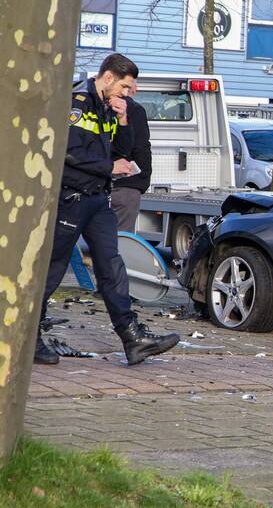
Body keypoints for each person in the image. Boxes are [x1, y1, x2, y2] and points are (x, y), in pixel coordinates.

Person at [35, 54, 179, 366]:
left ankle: (132, 338)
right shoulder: (78, 102)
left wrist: (123, 120)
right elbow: (67, 151)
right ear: (109, 77)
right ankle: (28, 335)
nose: (128, 93)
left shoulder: (109, 107)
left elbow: (121, 151)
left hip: (98, 200)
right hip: (71, 198)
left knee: (112, 266)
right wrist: (108, 167)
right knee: (52, 269)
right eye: (125, 87)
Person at [110, 80, 152, 232]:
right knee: (120, 238)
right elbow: (141, 147)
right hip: (126, 185)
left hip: (98, 184)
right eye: (133, 84)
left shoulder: (97, 107)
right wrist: (143, 177)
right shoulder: (134, 110)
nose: (136, 89)